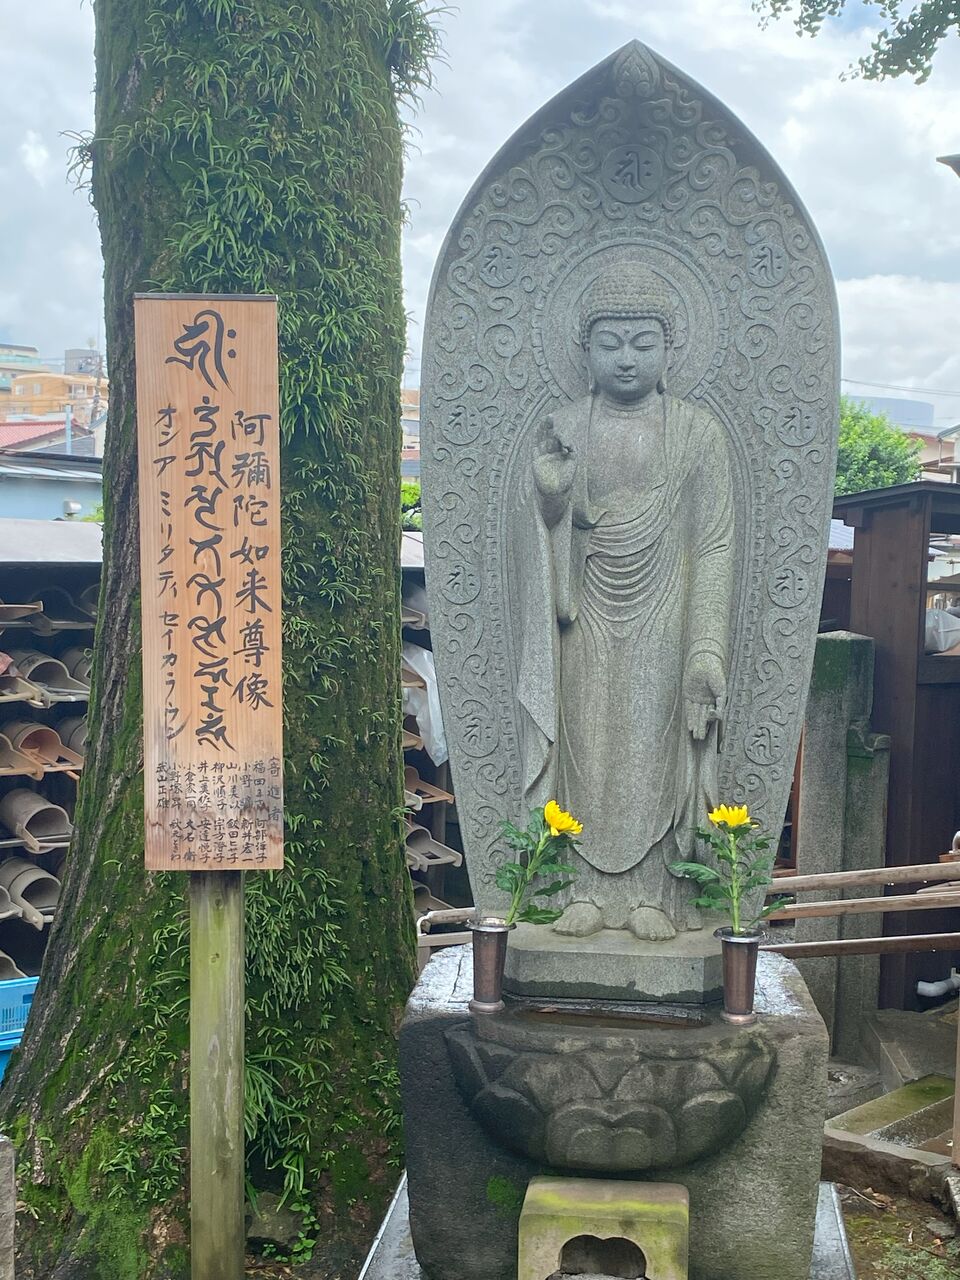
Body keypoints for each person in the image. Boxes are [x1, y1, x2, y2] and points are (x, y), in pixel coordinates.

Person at [515, 264, 735, 940]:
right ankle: (582, 889)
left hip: (665, 615)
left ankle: (654, 895)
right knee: (584, 749)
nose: (627, 359)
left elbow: (714, 546)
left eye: (644, 343)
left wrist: (705, 650)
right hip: (582, 612)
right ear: (585, 350)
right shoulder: (563, 427)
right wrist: (551, 496)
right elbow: (540, 534)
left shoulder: (697, 434)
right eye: (611, 344)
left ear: (671, 348)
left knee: (652, 751)